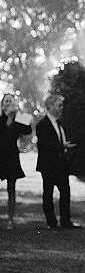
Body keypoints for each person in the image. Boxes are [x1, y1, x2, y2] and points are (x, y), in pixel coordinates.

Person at [35, 93, 81, 230]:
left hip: (61, 164)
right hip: (48, 164)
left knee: (65, 192)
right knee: (48, 193)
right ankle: (51, 222)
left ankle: (66, 221)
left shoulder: (60, 123)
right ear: (50, 107)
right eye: (59, 105)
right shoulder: (42, 125)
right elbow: (44, 146)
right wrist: (63, 146)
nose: (62, 108)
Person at [0, 93, 33, 229]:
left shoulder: (18, 118)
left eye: (11, 101)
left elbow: (27, 131)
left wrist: (19, 115)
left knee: (11, 189)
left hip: (11, 156)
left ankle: (10, 220)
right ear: (2, 103)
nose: (8, 103)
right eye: (6, 101)